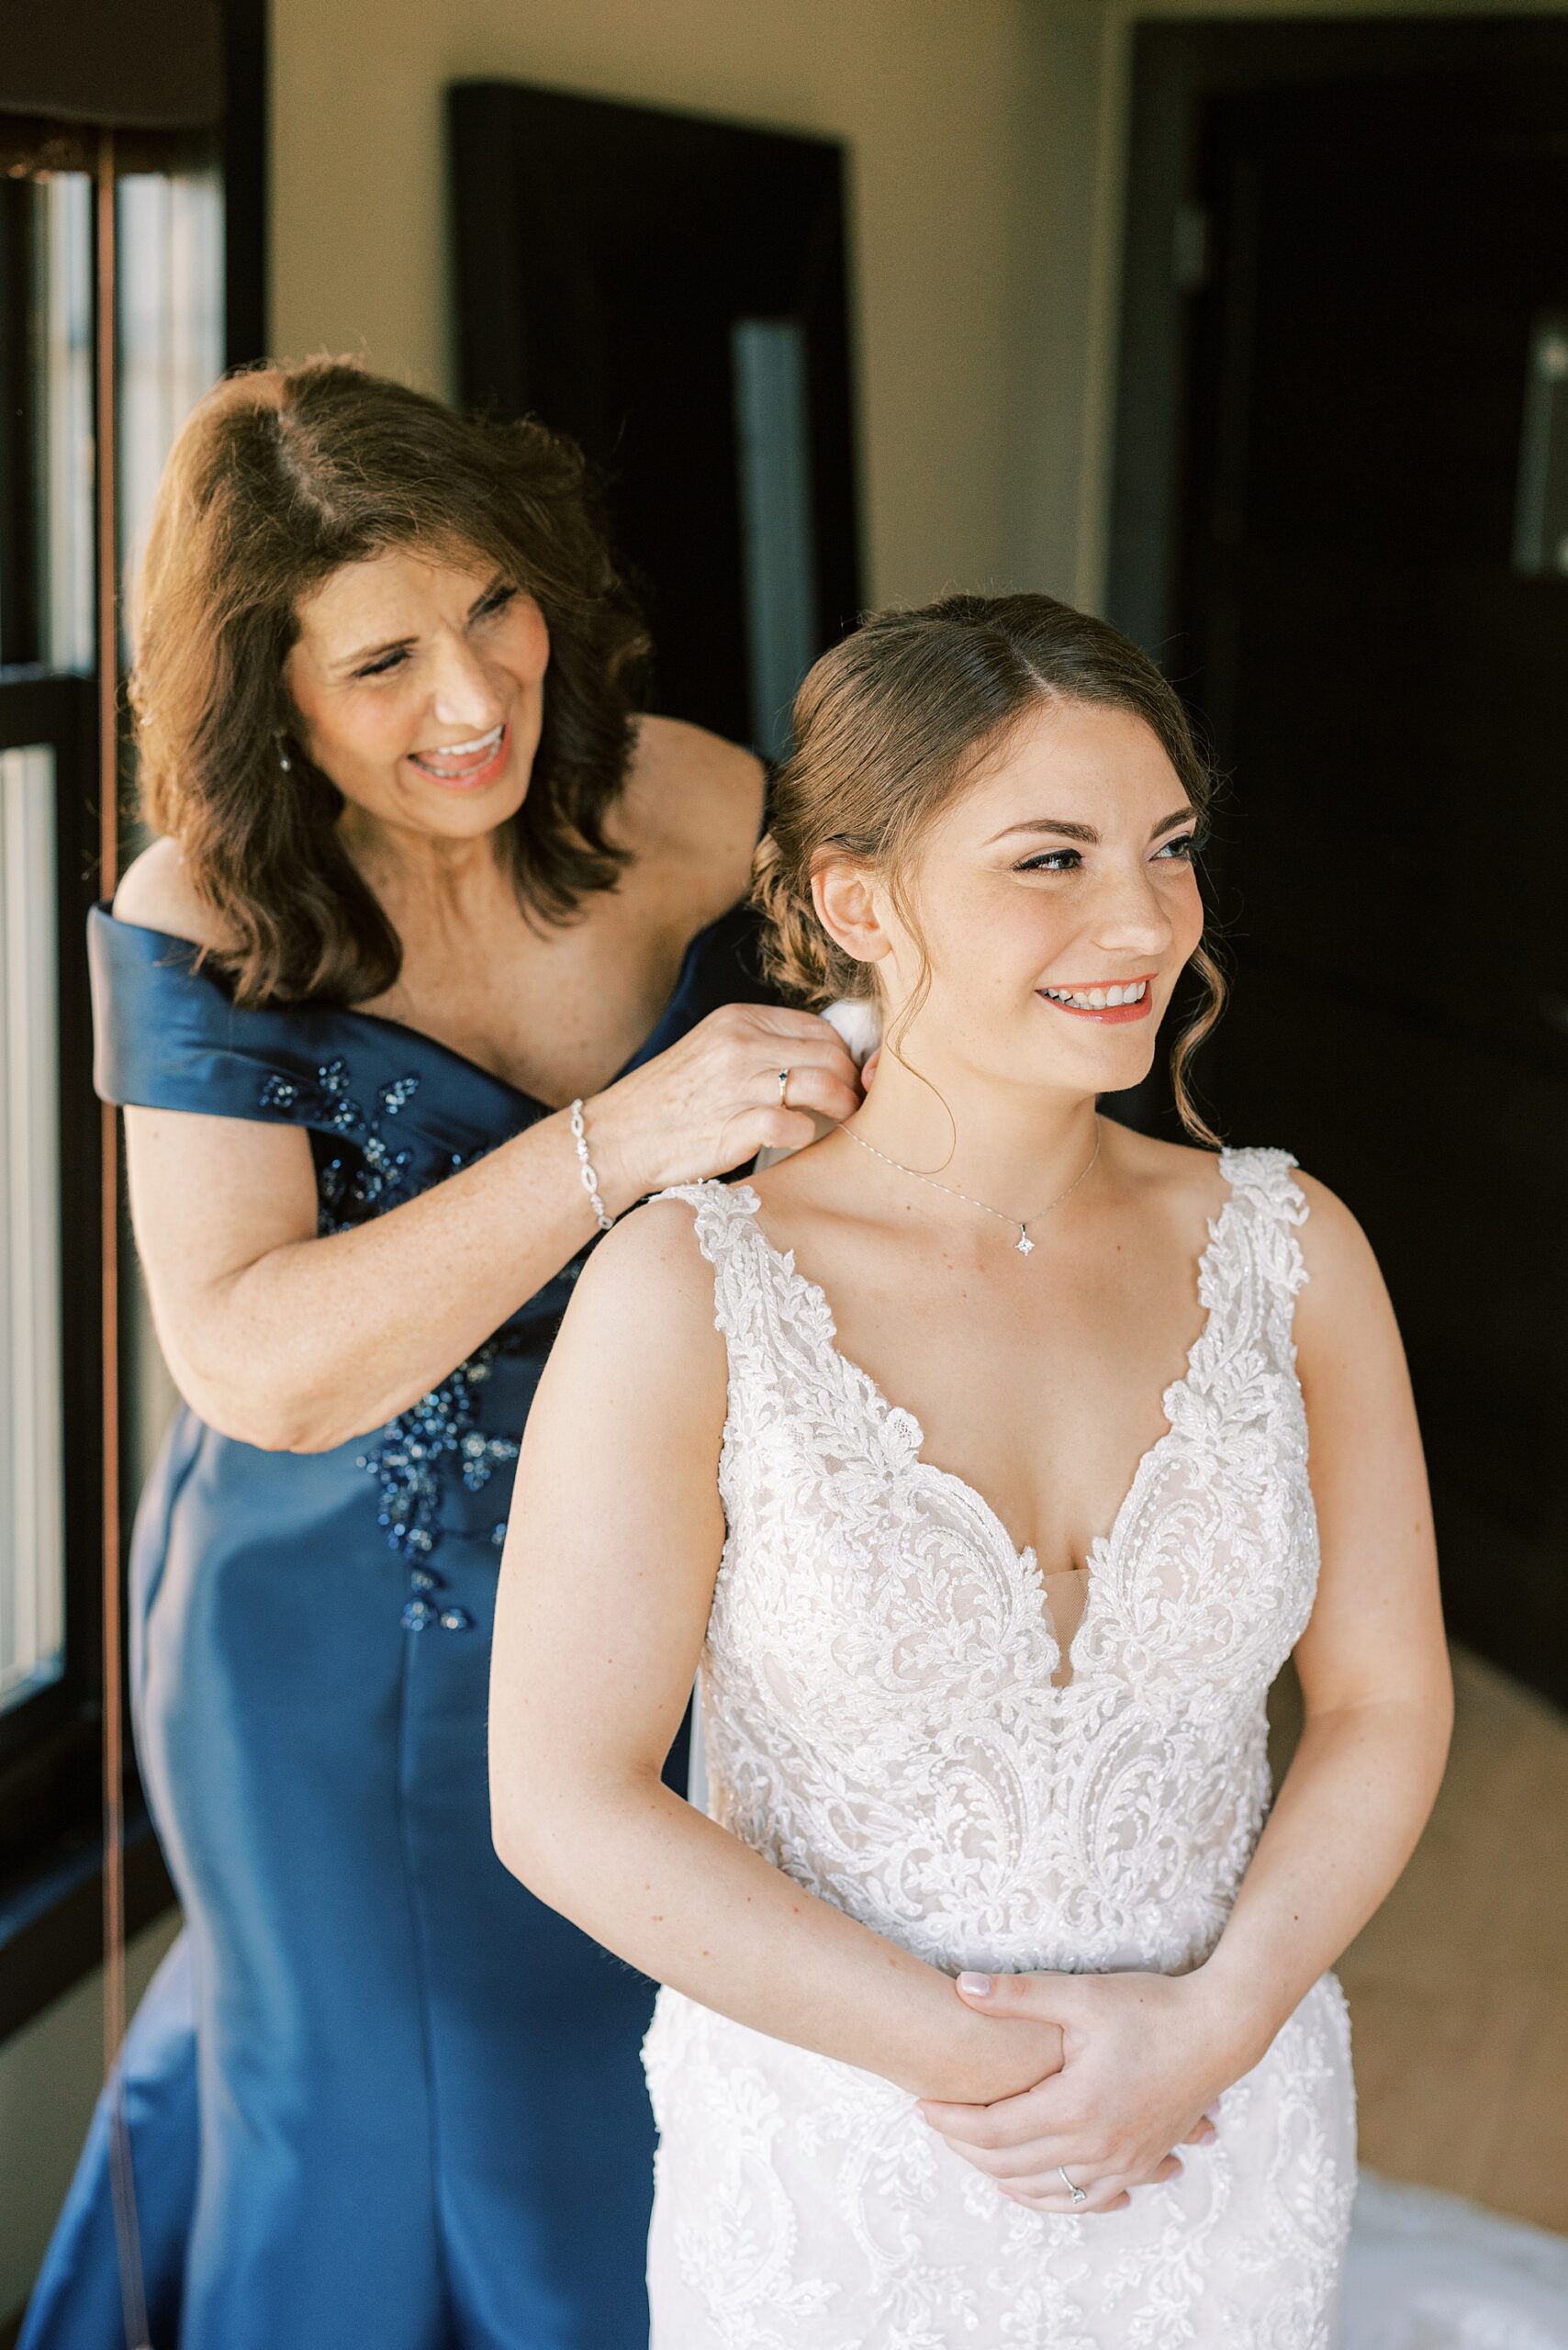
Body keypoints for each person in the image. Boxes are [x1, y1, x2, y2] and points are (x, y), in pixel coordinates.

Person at [488, 592, 1453, 2347]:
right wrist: (996, 2064)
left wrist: (1215, 2027)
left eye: (1168, 850)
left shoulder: (1295, 1249)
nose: (1143, 920)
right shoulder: (690, 1289)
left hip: (1222, 2137)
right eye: (1049, 861)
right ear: (860, 902)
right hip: (847, 2162)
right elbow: (561, 1799)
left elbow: (1386, 1702)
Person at [20, 359, 862, 2350]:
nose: (473, 695)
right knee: (383, 2128)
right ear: (269, 692)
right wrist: (616, 1142)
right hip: (344, 1626)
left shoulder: (703, 802)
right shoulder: (203, 911)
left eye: (494, 605)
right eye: (381, 656)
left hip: (683, 1585)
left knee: (636, 2110)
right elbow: (252, 1358)